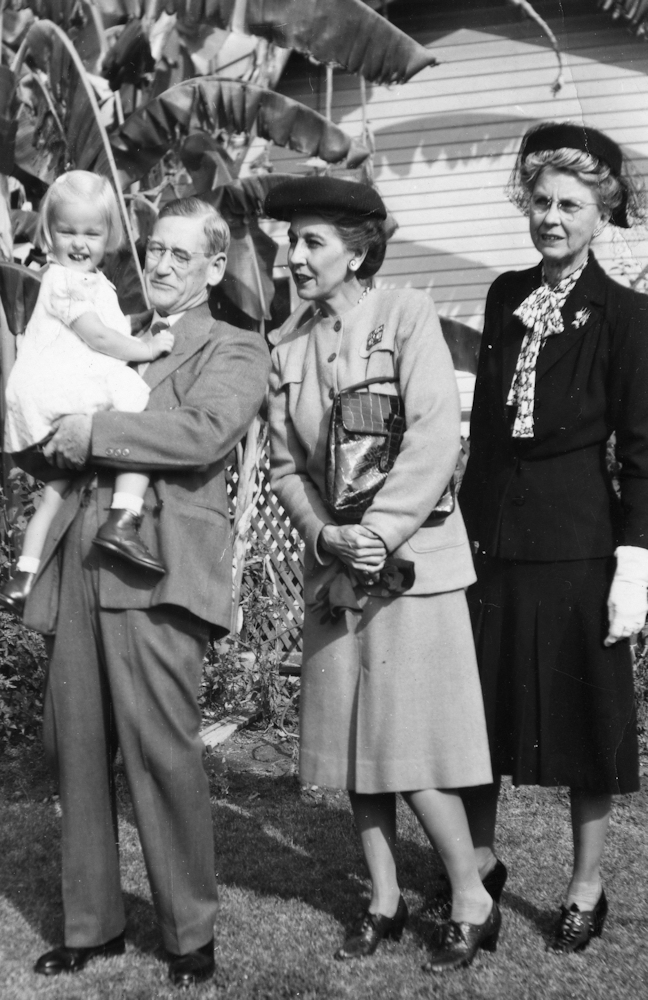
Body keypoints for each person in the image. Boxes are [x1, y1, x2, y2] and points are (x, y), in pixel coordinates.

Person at [22, 197, 270, 987]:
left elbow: (202, 432)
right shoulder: (117, 336)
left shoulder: (233, 345)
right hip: (80, 565)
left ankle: (187, 934)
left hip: (157, 572)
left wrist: (94, 433)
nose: (160, 265)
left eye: (179, 255)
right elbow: (60, 419)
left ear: (212, 266)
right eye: (154, 250)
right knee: (76, 753)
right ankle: (92, 926)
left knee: (163, 755)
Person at [265, 176, 500, 973]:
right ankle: (384, 898)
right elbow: (285, 466)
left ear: (357, 248)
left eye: (311, 242)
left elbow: (435, 435)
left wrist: (378, 530)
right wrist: (326, 533)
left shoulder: (404, 315)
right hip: (336, 570)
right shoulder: (286, 345)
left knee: (405, 746)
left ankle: (470, 893)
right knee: (348, 746)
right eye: (289, 241)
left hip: (411, 566)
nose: (293, 257)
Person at [459, 121, 648, 953]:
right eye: (539, 201)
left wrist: (634, 564)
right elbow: (485, 431)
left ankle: (585, 886)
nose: (551, 218)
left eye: (570, 204)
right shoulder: (505, 295)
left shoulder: (630, 316)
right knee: (482, 714)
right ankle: (479, 863)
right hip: (496, 536)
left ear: (601, 211)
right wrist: (460, 531)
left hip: (579, 542)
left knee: (582, 718)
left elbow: (643, 450)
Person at [0, 171, 175, 614]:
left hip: (54, 400)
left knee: (55, 493)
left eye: (92, 233)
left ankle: (23, 575)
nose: (79, 243)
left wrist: (139, 326)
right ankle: (123, 517)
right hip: (55, 390)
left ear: (109, 236)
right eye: (67, 231)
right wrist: (147, 346)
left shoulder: (95, 284)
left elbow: (111, 327)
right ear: (48, 233)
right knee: (137, 409)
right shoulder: (63, 280)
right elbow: (99, 338)